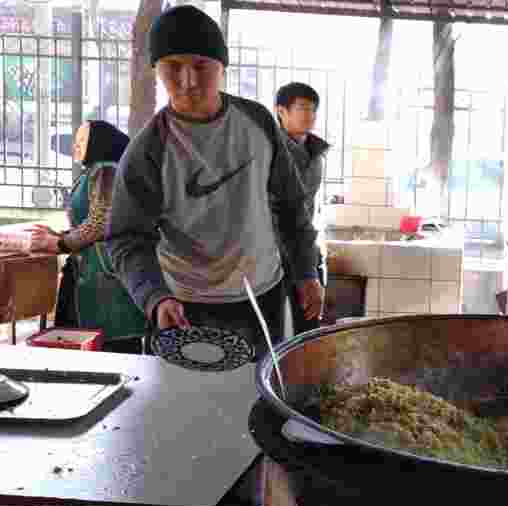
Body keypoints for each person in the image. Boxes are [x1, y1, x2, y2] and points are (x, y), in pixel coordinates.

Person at [104, 4, 323, 356]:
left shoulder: (258, 123)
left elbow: (290, 204)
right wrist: (155, 297)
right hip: (185, 307)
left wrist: (306, 272)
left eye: (201, 66)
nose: (188, 81)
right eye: (173, 67)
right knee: (186, 405)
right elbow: (126, 238)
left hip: (263, 296)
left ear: (222, 67)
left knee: (260, 397)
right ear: (155, 71)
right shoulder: (149, 150)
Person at [27, 120, 148, 353]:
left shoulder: (105, 169)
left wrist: (60, 243)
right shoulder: (96, 171)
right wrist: (61, 236)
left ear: (99, 142)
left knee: (111, 351)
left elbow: (101, 222)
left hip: (104, 279)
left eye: (82, 141)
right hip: (93, 275)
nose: (75, 147)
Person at [274, 82, 330, 335]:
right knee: (270, 327)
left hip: (306, 246)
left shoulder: (316, 152)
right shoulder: (269, 150)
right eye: (302, 108)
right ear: (280, 111)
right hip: (272, 252)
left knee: (309, 323)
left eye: (313, 109)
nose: (310, 115)